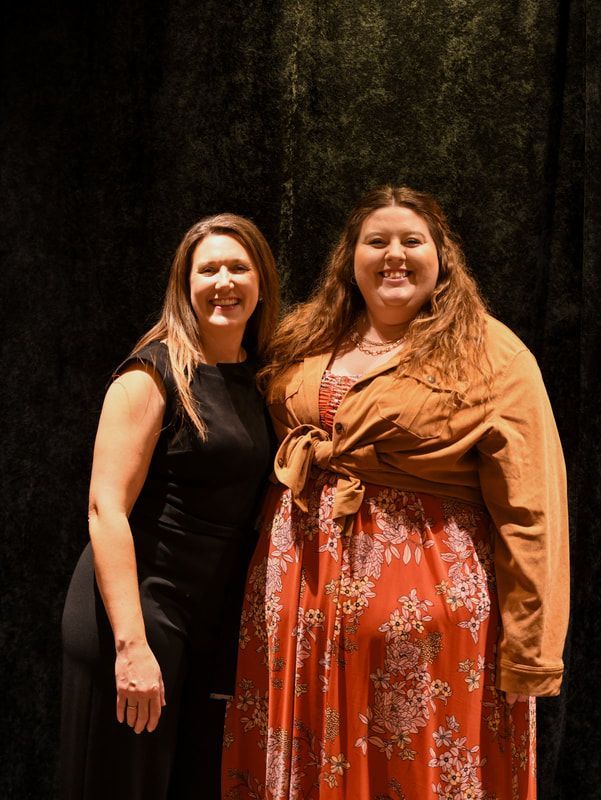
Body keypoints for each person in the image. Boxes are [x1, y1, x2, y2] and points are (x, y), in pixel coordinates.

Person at [221, 187, 569, 800]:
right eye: (376, 241)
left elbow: (532, 507)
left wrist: (531, 651)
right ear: (350, 258)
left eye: (412, 241)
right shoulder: (306, 334)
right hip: (297, 600)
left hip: (426, 621)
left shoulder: (491, 353)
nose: (394, 256)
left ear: (443, 256)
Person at [59, 213, 280, 800]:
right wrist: (131, 643)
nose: (224, 282)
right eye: (207, 270)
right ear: (185, 285)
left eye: (238, 267)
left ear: (262, 281)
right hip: (139, 612)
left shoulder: (259, 377)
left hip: (203, 620)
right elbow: (105, 509)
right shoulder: (151, 374)